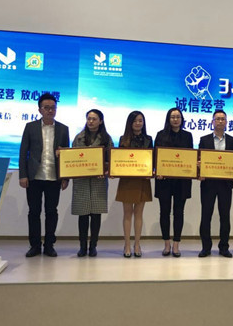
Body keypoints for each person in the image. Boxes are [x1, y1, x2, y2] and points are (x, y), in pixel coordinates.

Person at [18, 93, 70, 257]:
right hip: (34, 177)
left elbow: (67, 155)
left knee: (51, 212)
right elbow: (23, 152)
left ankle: (49, 245)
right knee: (34, 212)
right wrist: (23, 175)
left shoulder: (63, 129)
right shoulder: (30, 127)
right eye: (46, 108)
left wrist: (65, 177)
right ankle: (34, 245)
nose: (50, 111)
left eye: (53, 107)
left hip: (54, 177)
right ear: (40, 109)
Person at [70, 109, 113, 258]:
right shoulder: (78, 138)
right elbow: (71, 158)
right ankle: (82, 246)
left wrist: (106, 169)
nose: (91, 121)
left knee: (96, 214)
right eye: (89, 118)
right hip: (81, 180)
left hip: (98, 181)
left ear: (101, 121)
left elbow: (111, 160)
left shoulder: (106, 138)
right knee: (82, 215)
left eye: (94, 119)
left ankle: (93, 246)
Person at [198, 109, 233, 258]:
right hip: (208, 184)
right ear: (212, 122)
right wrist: (199, 170)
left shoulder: (232, 140)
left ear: (226, 122)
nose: (220, 121)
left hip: (225, 184)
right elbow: (200, 160)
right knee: (206, 215)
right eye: (217, 119)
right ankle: (205, 247)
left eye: (223, 119)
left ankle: (224, 247)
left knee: (225, 216)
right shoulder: (204, 140)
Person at [154, 108, 193, 257]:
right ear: (168, 119)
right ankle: (166, 243)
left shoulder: (188, 136)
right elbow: (156, 156)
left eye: (178, 117)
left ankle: (176, 244)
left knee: (179, 212)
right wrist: (158, 170)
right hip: (164, 180)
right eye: (172, 117)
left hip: (182, 181)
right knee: (164, 212)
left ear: (182, 119)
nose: (175, 119)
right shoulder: (161, 135)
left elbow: (190, 156)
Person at [115, 111, 153, 258]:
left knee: (138, 213)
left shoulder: (148, 139)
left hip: (143, 180)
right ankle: (127, 244)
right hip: (127, 180)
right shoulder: (123, 139)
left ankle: (137, 244)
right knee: (127, 213)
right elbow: (119, 160)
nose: (138, 123)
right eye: (135, 121)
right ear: (130, 123)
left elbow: (152, 159)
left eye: (140, 121)